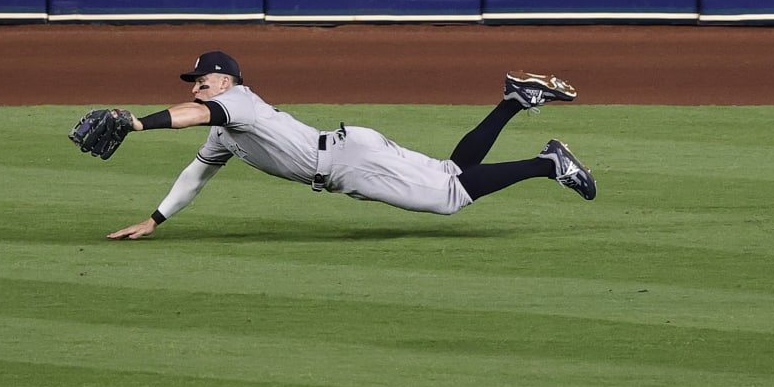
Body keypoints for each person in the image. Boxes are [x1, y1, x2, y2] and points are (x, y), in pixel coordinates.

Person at [103, 51, 595, 240]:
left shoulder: (240, 103)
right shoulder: (225, 129)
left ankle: (547, 164)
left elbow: (191, 116)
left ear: (227, 80)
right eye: (193, 82)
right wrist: (155, 219)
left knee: (450, 198)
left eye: (203, 80)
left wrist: (137, 124)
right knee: (451, 171)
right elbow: (195, 175)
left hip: (348, 162)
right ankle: (513, 101)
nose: (196, 87)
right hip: (350, 151)